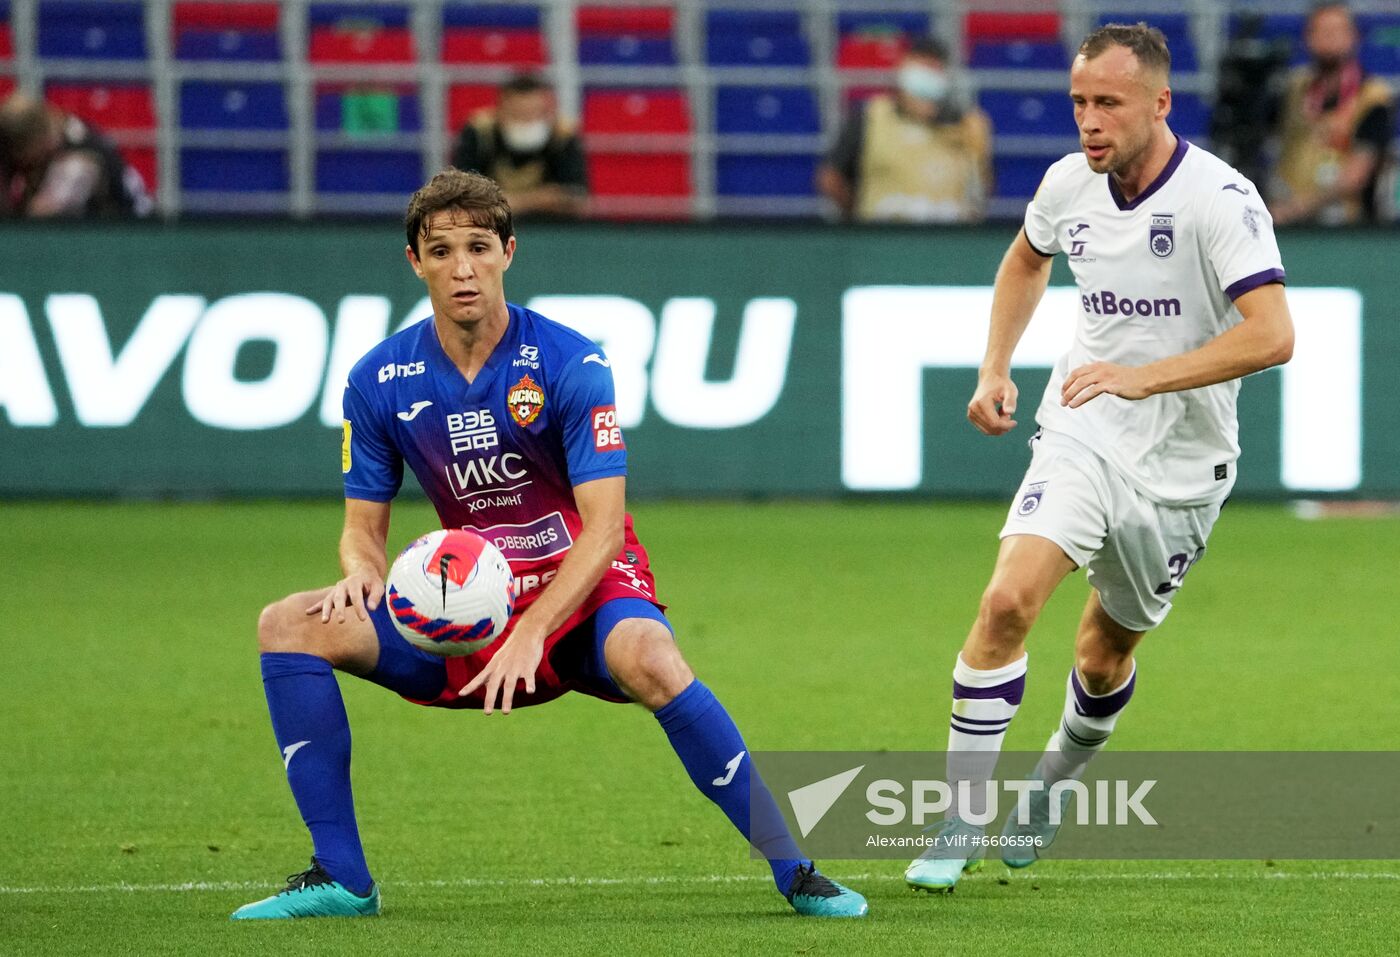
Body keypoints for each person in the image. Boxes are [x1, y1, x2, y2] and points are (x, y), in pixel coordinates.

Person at [231, 168, 867, 921]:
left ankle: (796, 869)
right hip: (467, 607)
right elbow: (362, 529)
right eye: (440, 251)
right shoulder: (378, 380)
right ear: (415, 261)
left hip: (586, 588)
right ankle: (341, 877)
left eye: (477, 247)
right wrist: (361, 575)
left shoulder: (569, 360)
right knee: (286, 623)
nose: (461, 267)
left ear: (508, 250)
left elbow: (602, 528)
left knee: (649, 655)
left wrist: (534, 628)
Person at [903, 23, 1294, 893]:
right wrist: (996, 365)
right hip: (1083, 428)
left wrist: (1146, 377)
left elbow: (1273, 335)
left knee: (1103, 652)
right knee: (1006, 599)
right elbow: (1024, 259)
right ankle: (962, 813)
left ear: (1159, 103)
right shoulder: (1067, 183)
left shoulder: (1219, 200)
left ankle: (1051, 785)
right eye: (1080, 101)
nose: (1089, 120)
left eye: (1108, 102)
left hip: (1185, 468)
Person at [817, 35, 992, 223]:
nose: (927, 77)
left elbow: (981, 190)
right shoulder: (871, 117)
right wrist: (859, 218)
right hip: (882, 239)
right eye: (921, 68)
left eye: (934, 69)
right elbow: (831, 177)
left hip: (946, 242)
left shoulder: (968, 126)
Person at [1269, 2, 1395, 225]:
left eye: (1336, 31)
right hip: (1288, 217)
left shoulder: (1374, 97)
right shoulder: (1292, 88)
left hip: (1347, 225)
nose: (1328, 38)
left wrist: (1297, 208)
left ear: (1354, 36)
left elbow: (1357, 175)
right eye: (1321, 31)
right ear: (1307, 37)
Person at [451, 74, 587, 219]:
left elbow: (577, 197)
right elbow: (462, 192)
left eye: (533, 112)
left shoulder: (562, 135)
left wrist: (507, 201)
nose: (526, 118)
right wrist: (538, 199)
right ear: (501, 106)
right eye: (519, 112)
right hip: (489, 224)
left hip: (551, 227)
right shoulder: (480, 133)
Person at [0, 92, 152, 218]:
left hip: (128, 232)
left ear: (36, 142)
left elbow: (41, 218)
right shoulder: (55, 126)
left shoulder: (80, 157)